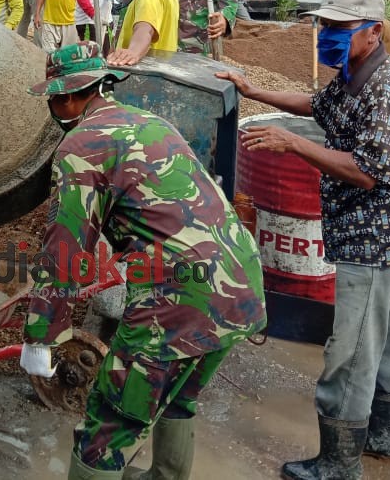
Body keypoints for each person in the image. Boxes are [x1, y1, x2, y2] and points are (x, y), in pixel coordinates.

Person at [22, 42, 266, 479]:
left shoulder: (81, 145)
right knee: (178, 396)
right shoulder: (150, 121)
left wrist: (42, 333)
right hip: (240, 280)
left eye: (53, 98)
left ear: (67, 96)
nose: (53, 106)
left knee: (107, 426)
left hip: (178, 298)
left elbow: (65, 251)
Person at [217, 0, 390, 480]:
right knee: (381, 338)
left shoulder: (387, 86)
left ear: (373, 32)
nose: (326, 35)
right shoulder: (355, 73)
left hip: (374, 240)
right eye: (323, 25)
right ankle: (382, 434)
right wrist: (253, 90)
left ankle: (338, 462)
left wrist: (293, 146)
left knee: (349, 352)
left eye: (338, 27)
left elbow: (366, 170)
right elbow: (317, 105)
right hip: (372, 234)